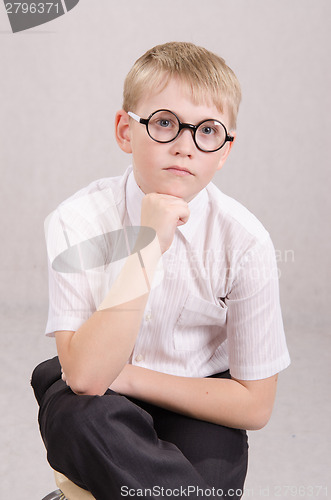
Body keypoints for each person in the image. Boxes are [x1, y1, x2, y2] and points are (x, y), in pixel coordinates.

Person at [31, 42, 290, 500]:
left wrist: (128, 376)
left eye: (207, 131)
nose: (186, 147)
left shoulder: (246, 241)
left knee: (207, 482)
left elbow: (254, 404)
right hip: (93, 391)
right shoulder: (77, 221)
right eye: (165, 123)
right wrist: (148, 243)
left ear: (225, 150)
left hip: (197, 396)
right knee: (80, 416)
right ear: (126, 131)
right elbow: (89, 378)